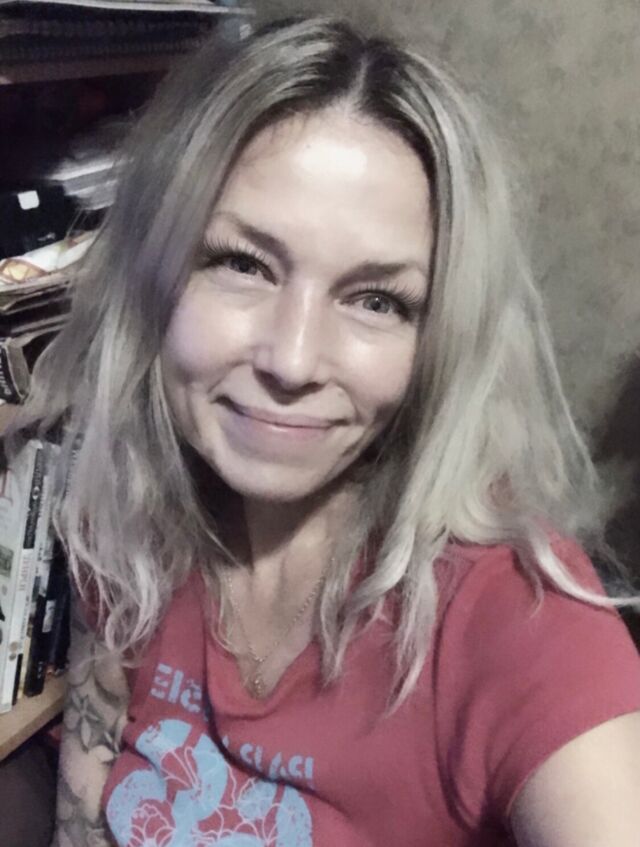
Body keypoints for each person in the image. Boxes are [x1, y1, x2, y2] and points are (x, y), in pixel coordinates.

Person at [7, 10, 640, 847]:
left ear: (438, 339)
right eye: (242, 263)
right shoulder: (134, 497)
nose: (294, 359)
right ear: (155, 276)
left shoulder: (520, 620)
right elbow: (81, 817)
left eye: (377, 300)